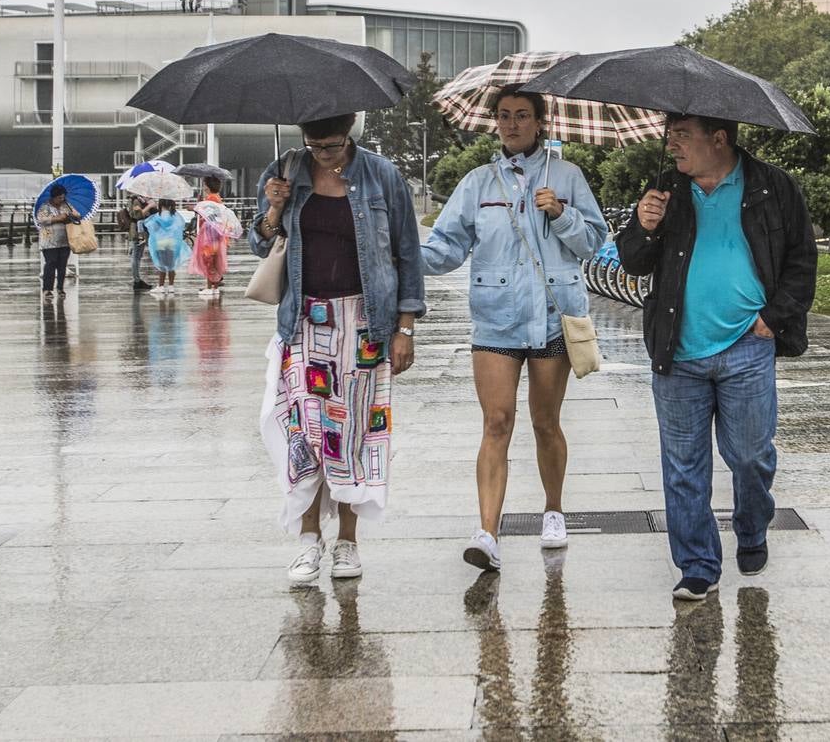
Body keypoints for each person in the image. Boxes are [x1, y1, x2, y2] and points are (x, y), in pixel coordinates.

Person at [618, 113, 817, 601]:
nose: (672, 148)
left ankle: (752, 525)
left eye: (682, 136)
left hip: (748, 347)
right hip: (678, 351)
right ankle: (697, 565)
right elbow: (632, 261)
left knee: (749, 455)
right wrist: (643, 227)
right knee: (683, 465)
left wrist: (773, 318)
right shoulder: (666, 188)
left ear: (720, 139)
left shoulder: (773, 186)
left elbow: (801, 259)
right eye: (670, 138)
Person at [422, 85, 608, 572]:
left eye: (522, 115)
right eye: (503, 116)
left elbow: (593, 243)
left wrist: (563, 214)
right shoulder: (479, 183)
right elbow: (444, 247)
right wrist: (400, 258)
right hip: (496, 321)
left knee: (546, 423)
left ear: (540, 122)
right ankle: (487, 532)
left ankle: (553, 510)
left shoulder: (567, 176)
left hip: (551, 317)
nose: (511, 124)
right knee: (497, 422)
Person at [251, 113, 425, 583]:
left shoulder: (381, 174)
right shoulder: (286, 170)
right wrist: (273, 210)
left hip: (365, 325)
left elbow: (407, 251)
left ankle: (348, 542)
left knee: (352, 436)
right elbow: (257, 243)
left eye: (330, 145)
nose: (321, 154)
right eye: (313, 145)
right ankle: (309, 540)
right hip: (305, 321)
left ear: (349, 135)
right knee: (304, 432)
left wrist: (405, 327)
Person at [35, 184, 79, 302]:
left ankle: (60, 288)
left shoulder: (67, 205)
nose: (61, 200)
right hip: (49, 242)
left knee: (62, 265)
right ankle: (47, 289)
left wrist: (73, 215)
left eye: (63, 197)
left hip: (65, 241)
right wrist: (57, 218)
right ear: (53, 197)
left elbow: (77, 215)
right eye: (59, 197)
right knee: (50, 264)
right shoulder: (45, 207)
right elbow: (41, 220)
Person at [143, 199, 189, 297]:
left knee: (162, 265)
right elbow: (180, 226)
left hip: (161, 242)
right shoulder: (175, 215)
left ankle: (161, 286)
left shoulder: (158, 216)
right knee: (171, 265)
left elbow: (151, 227)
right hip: (172, 242)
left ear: (160, 204)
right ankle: (171, 286)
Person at [128, 195, 156, 292]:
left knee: (137, 256)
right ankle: (136, 281)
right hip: (137, 232)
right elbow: (137, 216)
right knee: (136, 256)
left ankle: (137, 280)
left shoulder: (142, 200)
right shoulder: (136, 200)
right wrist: (149, 206)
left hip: (140, 231)